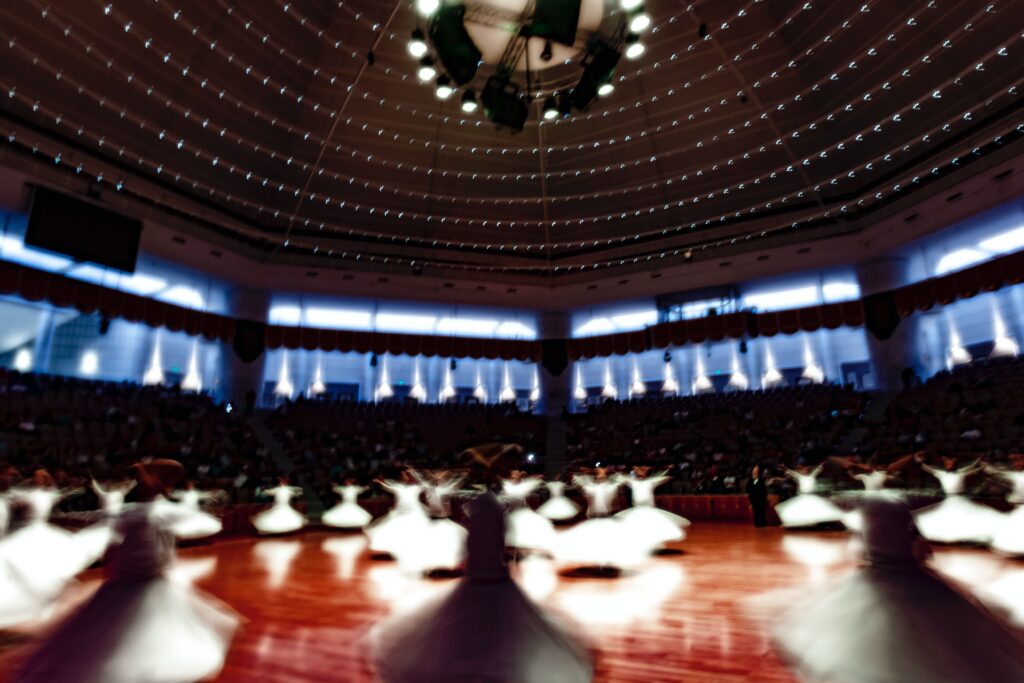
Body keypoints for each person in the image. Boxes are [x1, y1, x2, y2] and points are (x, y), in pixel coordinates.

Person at [14, 459, 240, 683]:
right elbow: (119, 539)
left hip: (145, 575)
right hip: (132, 575)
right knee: (120, 626)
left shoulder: (153, 511)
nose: (144, 479)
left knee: (132, 625)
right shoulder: (137, 511)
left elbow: (152, 539)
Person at [766, 498, 1024, 682]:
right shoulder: (896, 517)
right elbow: (922, 554)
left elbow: (865, 554)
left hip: (883, 580)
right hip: (909, 582)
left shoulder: (870, 519)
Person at [370, 492, 593, 683]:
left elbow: (467, 553)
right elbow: (498, 551)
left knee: (472, 628)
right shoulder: (496, 521)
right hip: (492, 580)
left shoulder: (473, 525)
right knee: (498, 629)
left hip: (481, 579)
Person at [914, 456, 1002, 544]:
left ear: (955, 464)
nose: (950, 465)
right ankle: (950, 538)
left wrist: (980, 462)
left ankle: (967, 538)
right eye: (948, 463)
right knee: (946, 519)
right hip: (949, 500)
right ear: (945, 465)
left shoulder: (961, 472)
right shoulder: (941, 473)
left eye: (951, 463)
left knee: (965, 518)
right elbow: (928, 469)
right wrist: (921, 462)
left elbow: (972, 467)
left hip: (960, 499)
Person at [614, 467, 690, 550]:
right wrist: (618, 472)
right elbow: (621, 478)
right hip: (637, 510)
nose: (640, 475)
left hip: (649, 510)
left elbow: (663, 478)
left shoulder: (651, 481)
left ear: (646, 475)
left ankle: (655, 544)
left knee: (652, 528)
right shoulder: (633, 482)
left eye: (642, 473)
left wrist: (667, 470)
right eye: (638, 473)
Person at [501, 471, 556, 554]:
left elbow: (536, 482)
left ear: (519, 476)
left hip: (522, 510)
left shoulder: (524, 486)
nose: (515, 476)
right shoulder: (507, 486)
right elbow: (504, 500)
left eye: (516, 474)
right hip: (511, 512)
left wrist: (538, 477)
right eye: (513, 474)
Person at [774, 464, 845, 529]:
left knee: (814, 510)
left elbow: (817, 471)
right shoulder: (800, 477)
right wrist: (786, 469)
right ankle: (796, 523)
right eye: (803, 470)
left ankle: (813, 523)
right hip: (803, 496)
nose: (804, 471)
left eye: (806, 470)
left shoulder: (811, 476)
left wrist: (821, 466)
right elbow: (793, 473)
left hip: (811, 496)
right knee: (799, 510)